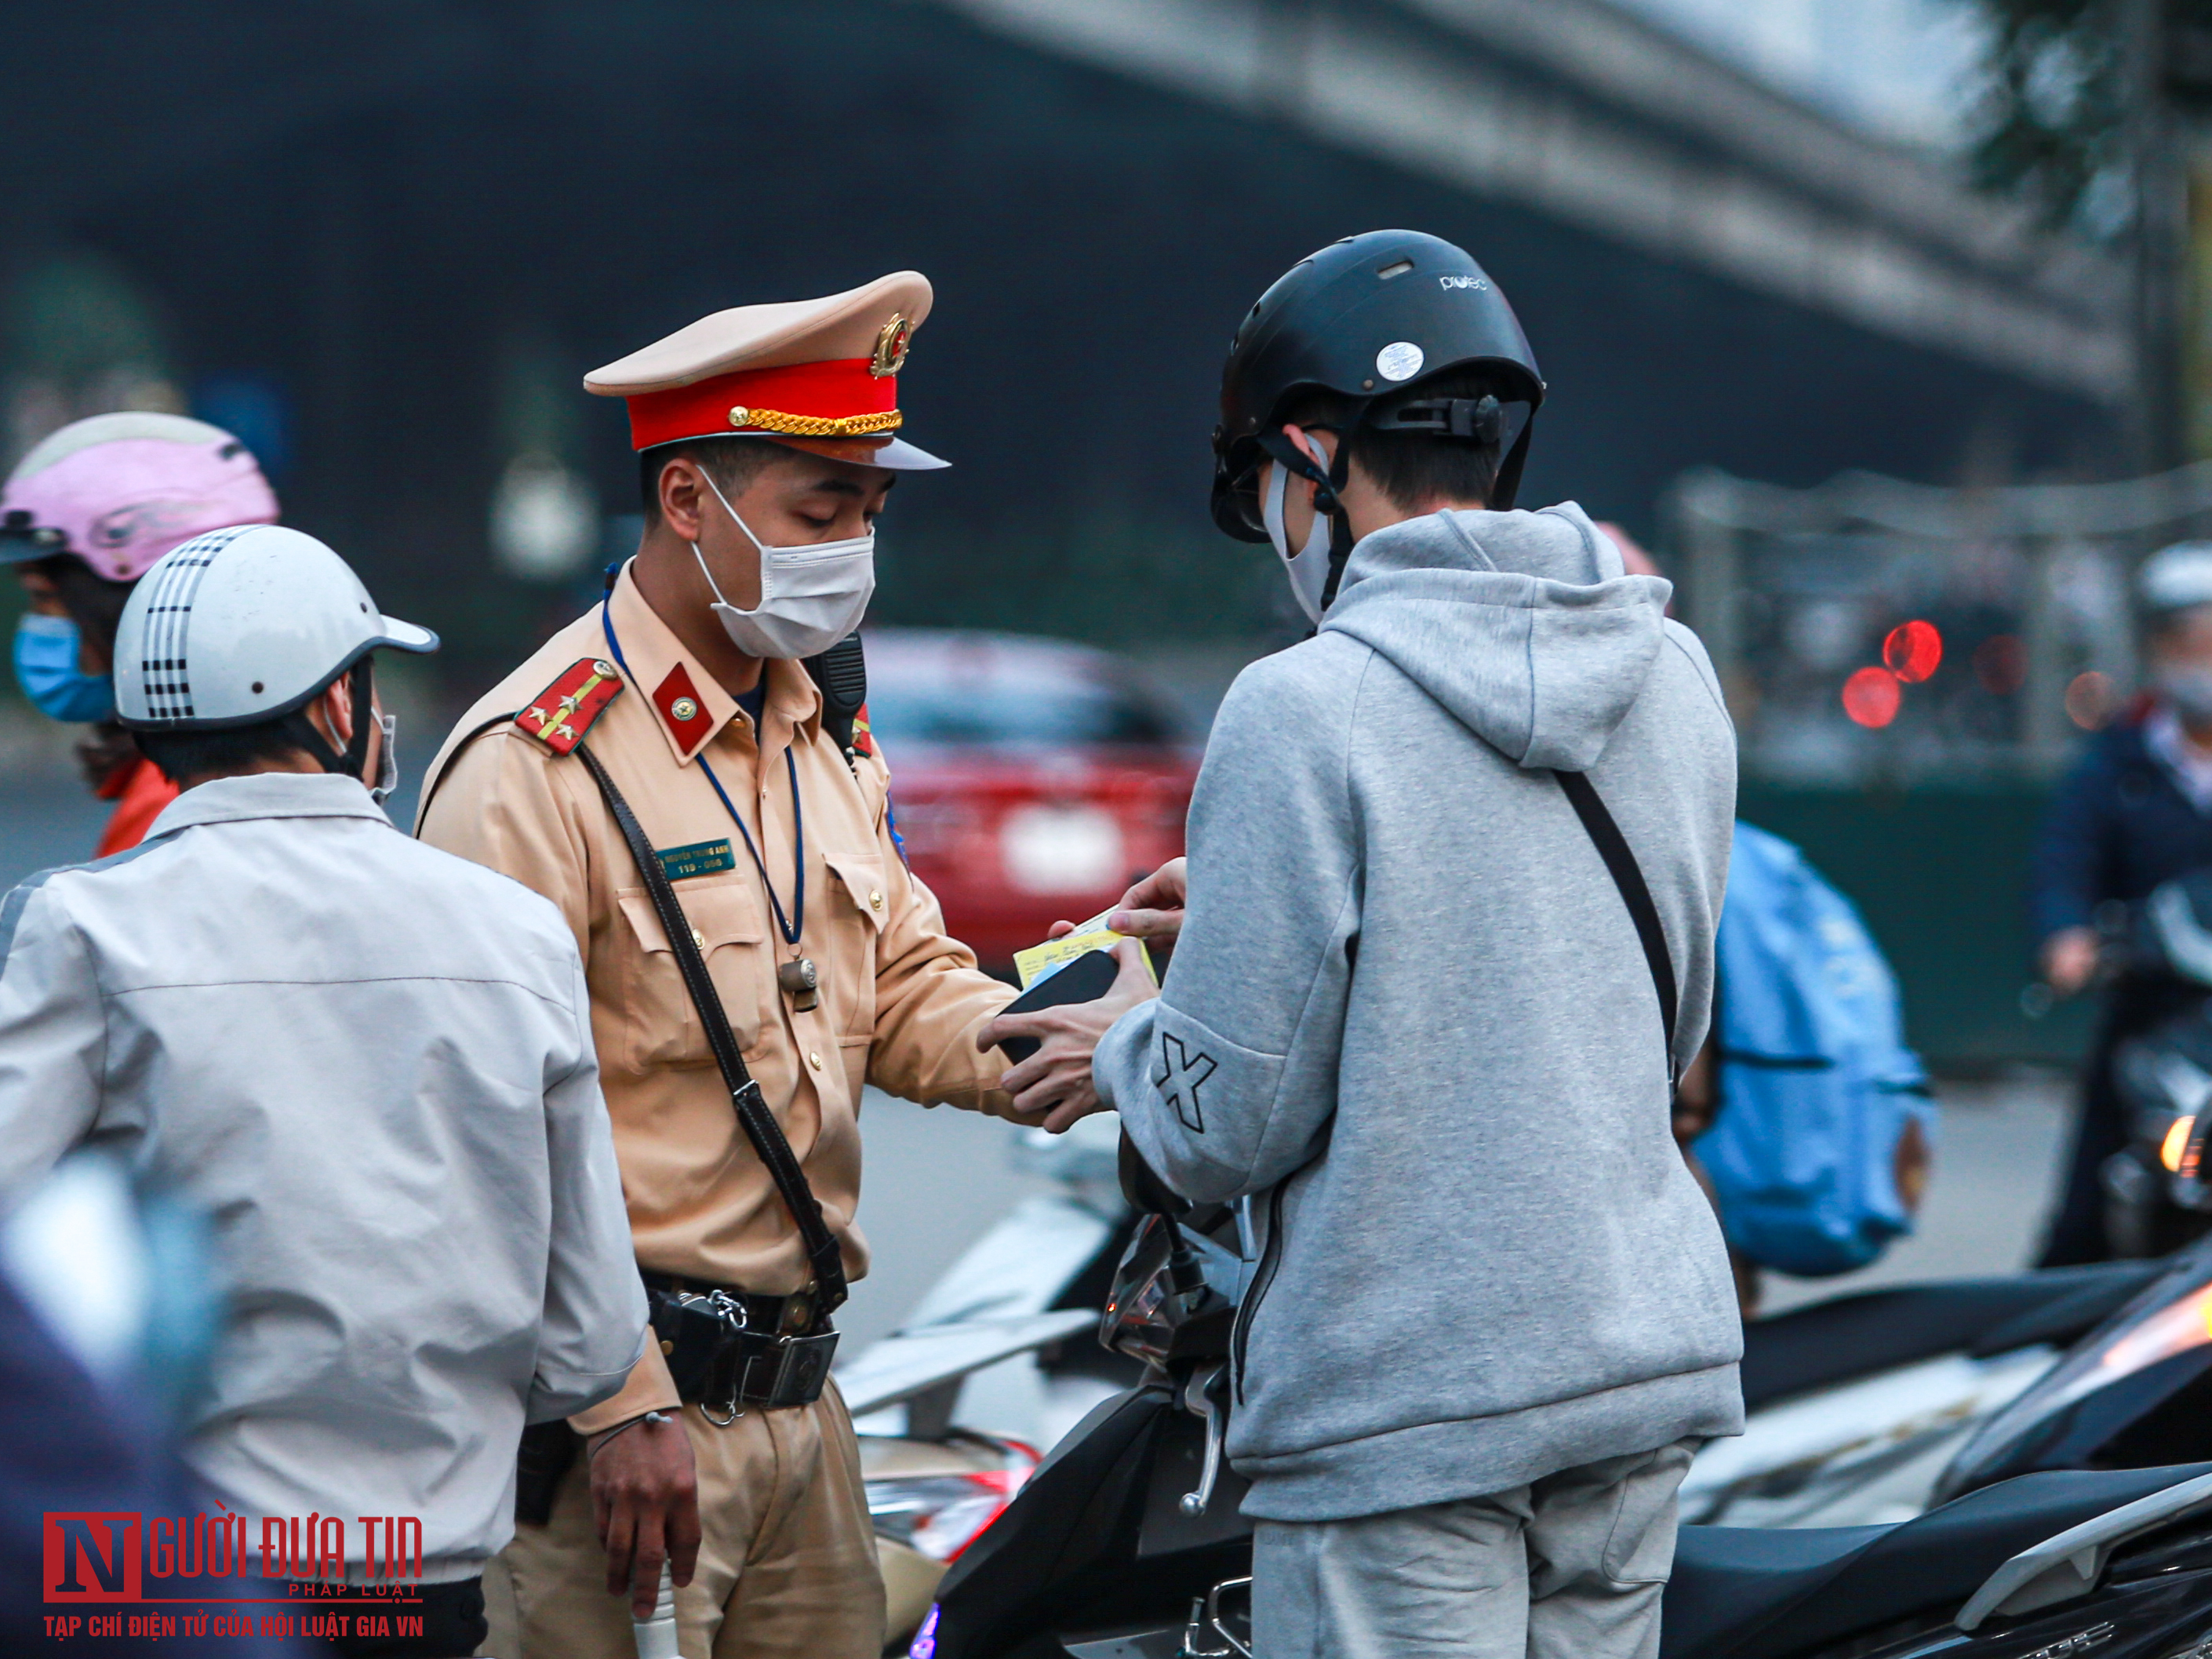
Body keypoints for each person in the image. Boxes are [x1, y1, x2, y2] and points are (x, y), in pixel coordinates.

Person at [988, 231, 1744, 1659]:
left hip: (1407, 1406)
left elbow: (1229, 1127)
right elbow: (1656, 1024)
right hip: (1636, 1371)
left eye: (1269, 490)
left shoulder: (1303, 709)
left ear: (1310, 455)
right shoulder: (1672, 670)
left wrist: (1130, 1044)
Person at [415, 272, 1028, 1659]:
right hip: (618, 1446)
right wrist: (622, 1399)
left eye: (870, 514)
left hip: (808, 1415)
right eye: (821, 512)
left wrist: (1109, 1043)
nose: (855, 550)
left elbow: (911, 995)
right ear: (688, 500)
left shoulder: (821, 730)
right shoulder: (535, 766)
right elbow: (480, 1138)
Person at [0, 524, 647, 1659]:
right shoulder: (514, 932)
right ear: (340, 708)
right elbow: (593, 1341)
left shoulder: (82, 925)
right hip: (425, 1576)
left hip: (165, 1578)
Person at [2031, 541, 2212, 1264]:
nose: (2200, 656)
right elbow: (2064, 860)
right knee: (2087, 1202)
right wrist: (2066, 935)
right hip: (2154, 1012)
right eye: (2185, 640)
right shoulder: (2121, 764)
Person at [2, 412, 281, 853]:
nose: (39, 625)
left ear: (135, 601)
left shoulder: (184, 805)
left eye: (42, 596)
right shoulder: (276, 763)